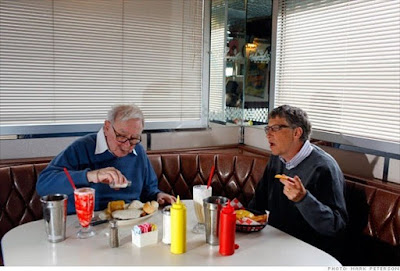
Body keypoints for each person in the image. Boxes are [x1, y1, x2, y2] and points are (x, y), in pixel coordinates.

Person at [37, 104, 176, 214]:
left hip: (130, 222)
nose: (127, 145)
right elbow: (43, 185)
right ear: (107, 127)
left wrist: (158, 195)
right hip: (87, 223)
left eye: (134, 138)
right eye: (121, 136)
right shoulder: (82, 148)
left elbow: (149, 190)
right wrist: (90, 175)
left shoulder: (138, 151)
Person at [248, 104, 348, 258]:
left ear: (297, 132)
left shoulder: (324, 167)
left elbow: (336, 227)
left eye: (275, 129)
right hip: (275, 244)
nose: (268, 135)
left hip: (309, 253)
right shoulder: (277, 158)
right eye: (267, 129)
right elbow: (257, 205)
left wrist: (303, 199)